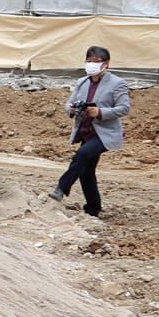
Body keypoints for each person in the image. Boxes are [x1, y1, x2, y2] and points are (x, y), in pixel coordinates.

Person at [49, 46, 130, 218]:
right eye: (89, 61)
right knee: (86, 172)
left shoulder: (117, 84)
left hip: (104, 133)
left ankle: (61, 188)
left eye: (96, 61)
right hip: (86, 131)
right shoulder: (82, 82)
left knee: (82, 155)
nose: (91, 64)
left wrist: (100, 112)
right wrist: (70, 109)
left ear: (106, 64)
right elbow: (69, 103)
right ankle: (93, 209)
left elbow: (124, 108)